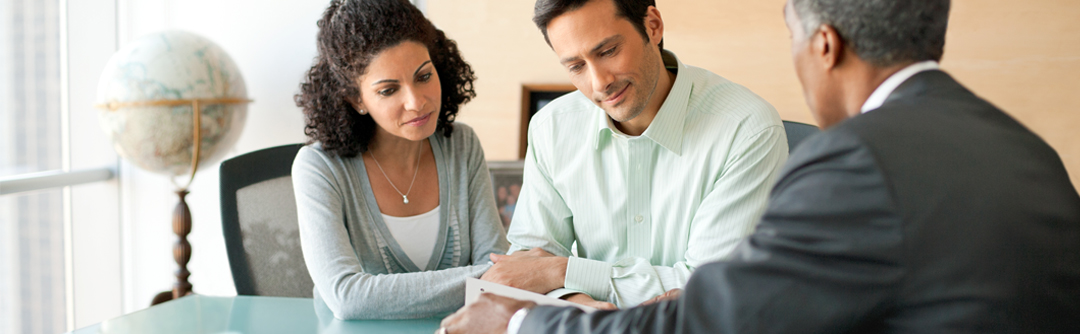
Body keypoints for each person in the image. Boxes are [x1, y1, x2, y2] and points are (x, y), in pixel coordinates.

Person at [440, 0, 1080, 332]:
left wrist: (527, 320)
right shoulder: (1033, 154)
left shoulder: (855, 163)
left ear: (823, 45)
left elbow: (715, 317)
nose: (598, 79)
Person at [479, 0, 788, 310]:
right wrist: (580, 302)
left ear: (652, 26)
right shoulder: (551, 127)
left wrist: (563, 271)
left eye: (608, 51)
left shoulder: (746, 128)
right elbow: (526, 268)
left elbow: (711, 285)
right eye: (576, 66)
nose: (599, 82)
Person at [291, 0, 508, 320]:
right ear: (356, 99)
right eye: (389, 90)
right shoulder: (319, 167)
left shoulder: (461, 145)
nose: (416, 102)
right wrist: (484, 281)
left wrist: (498, 279)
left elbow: (497, 262)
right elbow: (348, 297)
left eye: (423, 76)